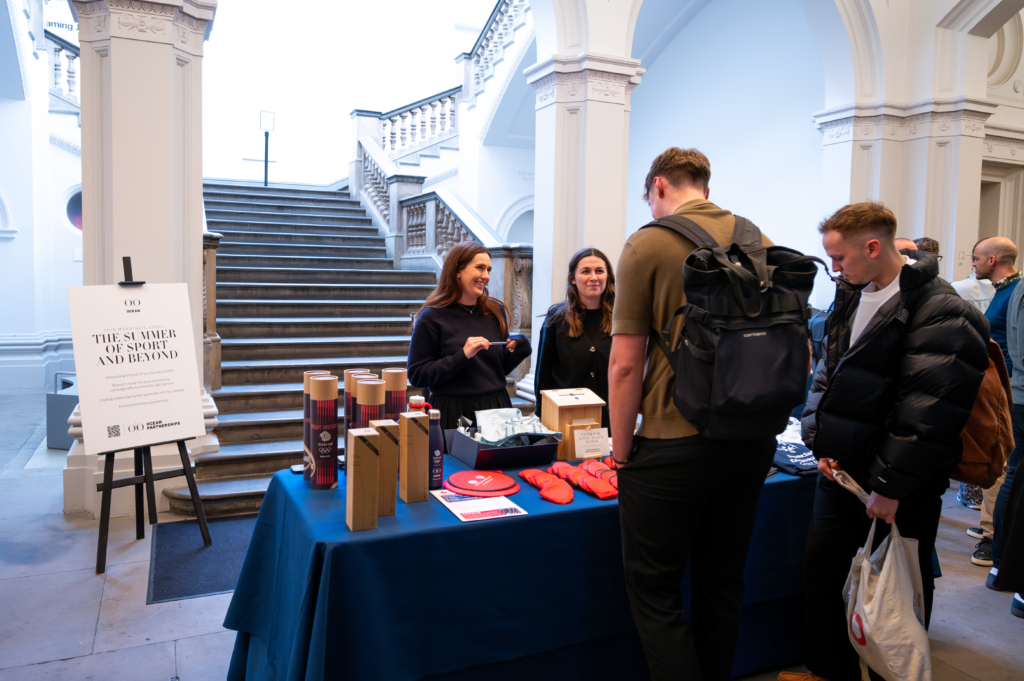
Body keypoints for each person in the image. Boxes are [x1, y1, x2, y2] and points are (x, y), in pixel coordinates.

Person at [782, 202, 989, 681]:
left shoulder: (941, 310)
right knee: (826, 573)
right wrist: (818, 439)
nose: (834, 268)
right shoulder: (852, 294)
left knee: (897, 589)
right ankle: (827, 671)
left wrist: (890, 486)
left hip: (900, 482)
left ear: (873, 247)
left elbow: (929, 411)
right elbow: (827, 372)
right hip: (841, 468)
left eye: (840, 258)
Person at [609, 147, 778, 681]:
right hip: (752, 438)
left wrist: (620, 452)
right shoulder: (758, 238)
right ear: (705, 184)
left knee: (655, 591)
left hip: (672, 439)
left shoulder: (649, 242)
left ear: (658, 186)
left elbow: (624, 364)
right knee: (722, 583)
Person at [407, 241, 531, 430]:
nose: (486, 276)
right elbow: (417, 375)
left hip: (496, 408)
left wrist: (520, 347)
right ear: (457, 271)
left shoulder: (495, 310)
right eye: (480, 268)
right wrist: (462, 356)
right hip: (453, 413)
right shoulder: (431, 317)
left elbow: (498, 368)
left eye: (488, 269)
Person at [968, 236, 1021, 567]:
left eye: (975, 258)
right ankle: (990, 527)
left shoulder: (1017, 292)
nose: (972, 264)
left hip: (1011, 392)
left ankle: (993, 539)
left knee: (1002, 466)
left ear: (992, 260)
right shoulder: (1003, 290)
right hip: (998, 388)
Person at [535, 248, 615, 428]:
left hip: (611, 417)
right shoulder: (556, 319)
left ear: (607, 276)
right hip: (566, 417)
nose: (593, 277)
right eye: (586, 271)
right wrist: (542, 415)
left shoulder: (621, 318)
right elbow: (543, 373)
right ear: (573, 278)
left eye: (599, 271)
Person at [990, 273, 1024, 591]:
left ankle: (1001, 563)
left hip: (1018, 393)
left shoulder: (1016, 288)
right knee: (1014, 479)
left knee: (1013, 478)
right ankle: (1001, 561)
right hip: (1023, 397)